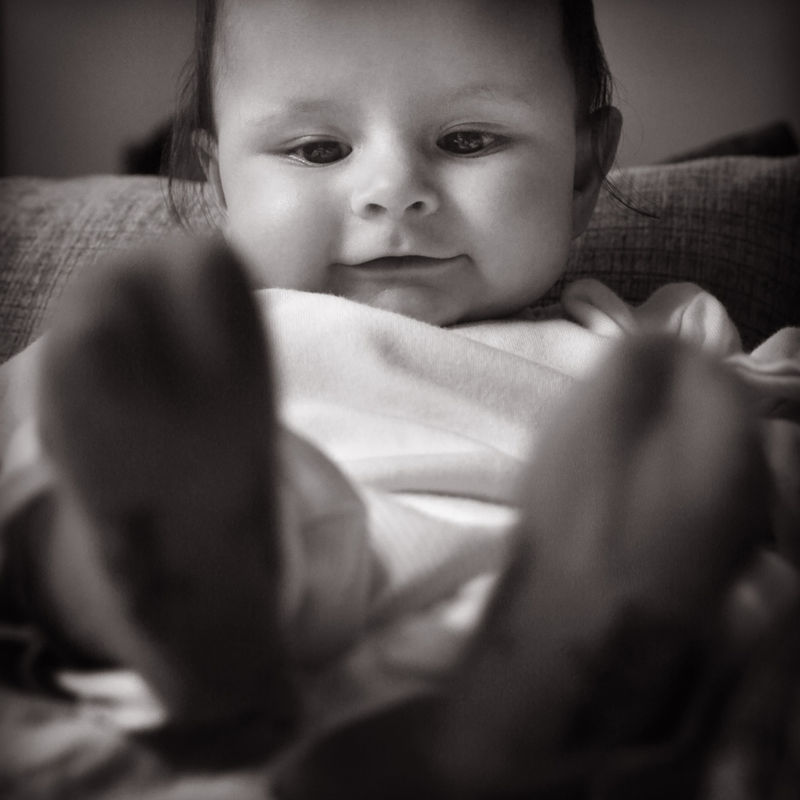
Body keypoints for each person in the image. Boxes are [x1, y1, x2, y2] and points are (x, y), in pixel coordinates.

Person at [0, 0, 798, 786]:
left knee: (718, 588)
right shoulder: (169, 352)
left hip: (508, 634)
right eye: (317, 149)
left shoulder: (643, 355)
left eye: (467, 140)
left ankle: (560, 667)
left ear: (584, 171)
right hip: (232, 626)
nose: (393, 191)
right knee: (75, 505)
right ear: (220, 185)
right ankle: (186, 597)